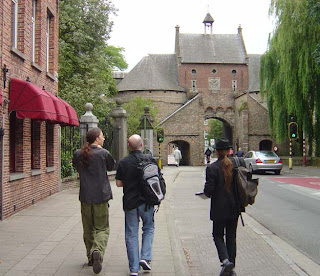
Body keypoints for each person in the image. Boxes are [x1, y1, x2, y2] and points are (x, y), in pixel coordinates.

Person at [72, 127, 115, 274]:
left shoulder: (78, 154)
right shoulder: (104, 153)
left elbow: (77, 167)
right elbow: (111, 166)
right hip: (101, 197)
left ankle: (90, 257)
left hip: (85, 196)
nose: (103, 138)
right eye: (102, 136)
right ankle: (97, 250)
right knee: (102, 228)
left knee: (88, 228)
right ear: (97, 138)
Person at [115, 134, 158, 276]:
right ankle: (145, 257)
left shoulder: (123, 162)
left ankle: (134, 269)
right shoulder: (150, 160)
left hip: (130, 202)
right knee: (149, 228)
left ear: (128, 146)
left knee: (131, 234)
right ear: (141, 146)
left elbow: (118, 183)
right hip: (147, 202)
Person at [203, 138, 245, 276]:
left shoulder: (212, 168)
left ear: (217, 152)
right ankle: (231, 268)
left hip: (219, 209)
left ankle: (226, 261)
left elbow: (209, 191)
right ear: (228, 150)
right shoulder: (235, 165)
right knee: (231, 237)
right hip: (234, 208)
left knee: (218, 235)